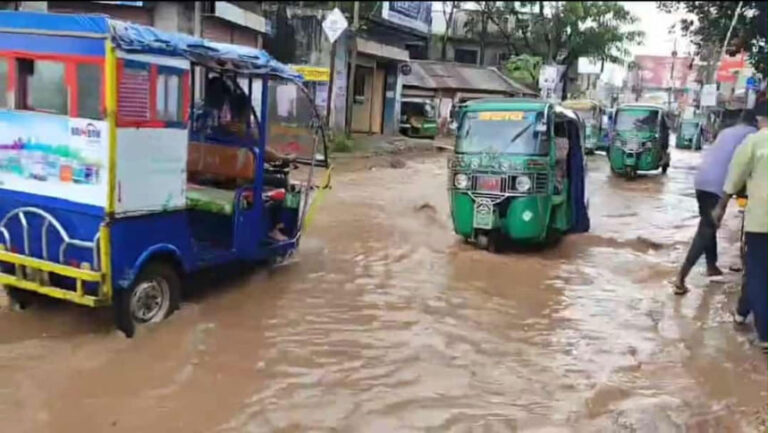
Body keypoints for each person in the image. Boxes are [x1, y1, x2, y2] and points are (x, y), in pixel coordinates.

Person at [673, 110, 758, 295]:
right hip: (717, 184)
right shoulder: (754, 134)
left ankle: (712, 267)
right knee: (706, 229)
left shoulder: (727, 131)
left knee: (709, 223)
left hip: (701, 181)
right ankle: (680, 277)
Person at [712, 98, 767, 352]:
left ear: (758, 119)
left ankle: (764, 334)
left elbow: (734, 177)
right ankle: (742, 312)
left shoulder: (754, 142)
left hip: (760, 221)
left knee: (757, 273)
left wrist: (721, 206)